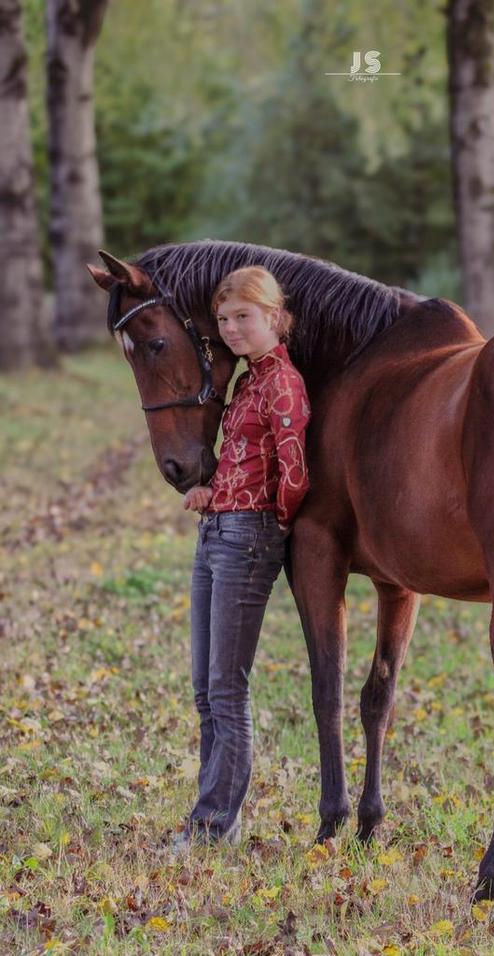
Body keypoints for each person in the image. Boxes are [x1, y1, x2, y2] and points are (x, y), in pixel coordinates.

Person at [170, 265, 311, 854]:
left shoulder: (283, 384)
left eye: (243, 317)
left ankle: (212, 827)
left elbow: (295, 471)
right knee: (206, 689)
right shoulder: (247, 382)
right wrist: (212, 492)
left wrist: (269, 522)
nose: (230, 328)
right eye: (224, 319)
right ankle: (213, 820)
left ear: (274, 317)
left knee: (228, 688)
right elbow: (243, 460)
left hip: (248, 539)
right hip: (216, 532)